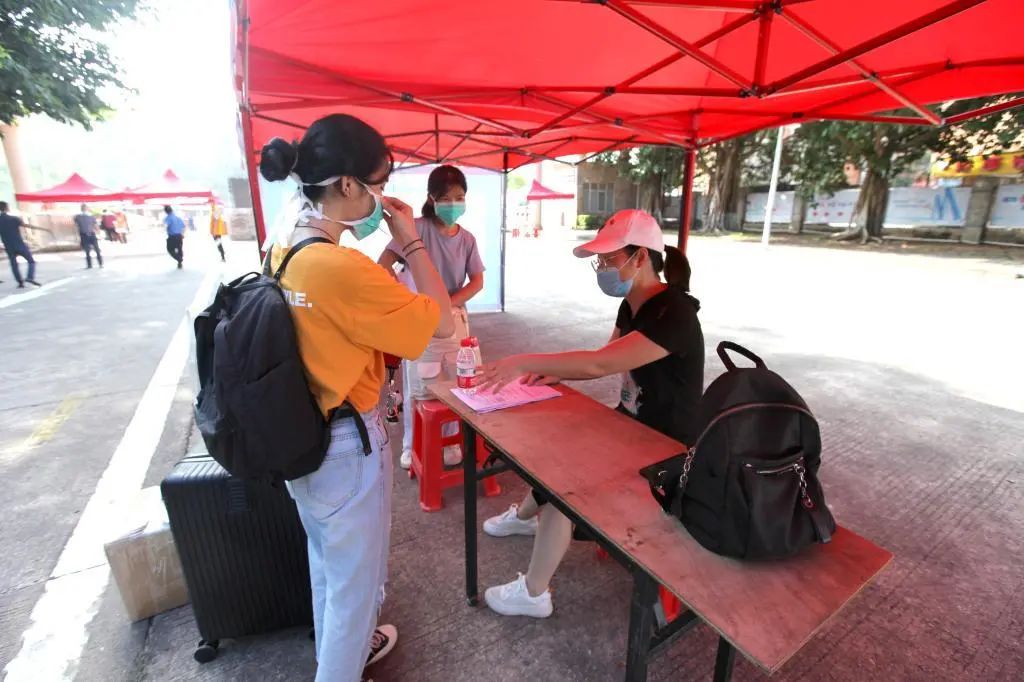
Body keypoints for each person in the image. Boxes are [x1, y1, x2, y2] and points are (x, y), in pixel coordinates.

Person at [259, 113, 454, 682]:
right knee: (355, 589)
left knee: (329, 570)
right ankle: (341, 666)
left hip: (305, 435)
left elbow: (344, 314)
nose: (384, 196)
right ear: (349, 186)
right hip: (346, 446)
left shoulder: (287, 248)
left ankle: (345, 653)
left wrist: (387, 257)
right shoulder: (338, 266)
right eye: (381, 180)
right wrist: (411, 241)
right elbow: (441, 322)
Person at [475, 209, 704, 619]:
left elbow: (599, 366)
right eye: (601, 261)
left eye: (610, 259)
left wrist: (524, 360)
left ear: (641, 258)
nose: (603, 268)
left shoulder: (675, 313)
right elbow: (606, 358)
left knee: (569, 481)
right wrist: (555, 372)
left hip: (666, 449)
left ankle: (533, 593)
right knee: (559, 444)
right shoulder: (633, 305)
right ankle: (528, 517)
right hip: (633, 428)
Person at [377, 165, 485, 470]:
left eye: (460, 197)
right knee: (420, 386)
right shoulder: (416, 229)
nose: (454, 204)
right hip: (421, 321)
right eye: (447, 197)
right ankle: (414, 445)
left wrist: (447, 304)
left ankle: (450, 444)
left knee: (458, 384)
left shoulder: (467, 239)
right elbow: (383, 265)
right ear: (432, 198)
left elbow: (477, 281)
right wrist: (403, 301)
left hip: (455, 321)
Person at [0, 201, 40, 288]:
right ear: (7, 208)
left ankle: (20, 282)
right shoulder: (14, 218)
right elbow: (26, 225)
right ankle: (29, 277)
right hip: (19, 244)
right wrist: (41, 229)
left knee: (14, 264)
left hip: (8, 246)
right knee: (31, 261)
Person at [74, 204, 103, 269]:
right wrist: (98, 233)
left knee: (92, 250)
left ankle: (94, 264)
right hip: (87, 234)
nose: (85, 209)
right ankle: (96, 264)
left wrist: (98, 233)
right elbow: (95, 226)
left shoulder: (79, 217)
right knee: (91, 250)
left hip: (86, 234)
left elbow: (76, 226)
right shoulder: (83, 217)